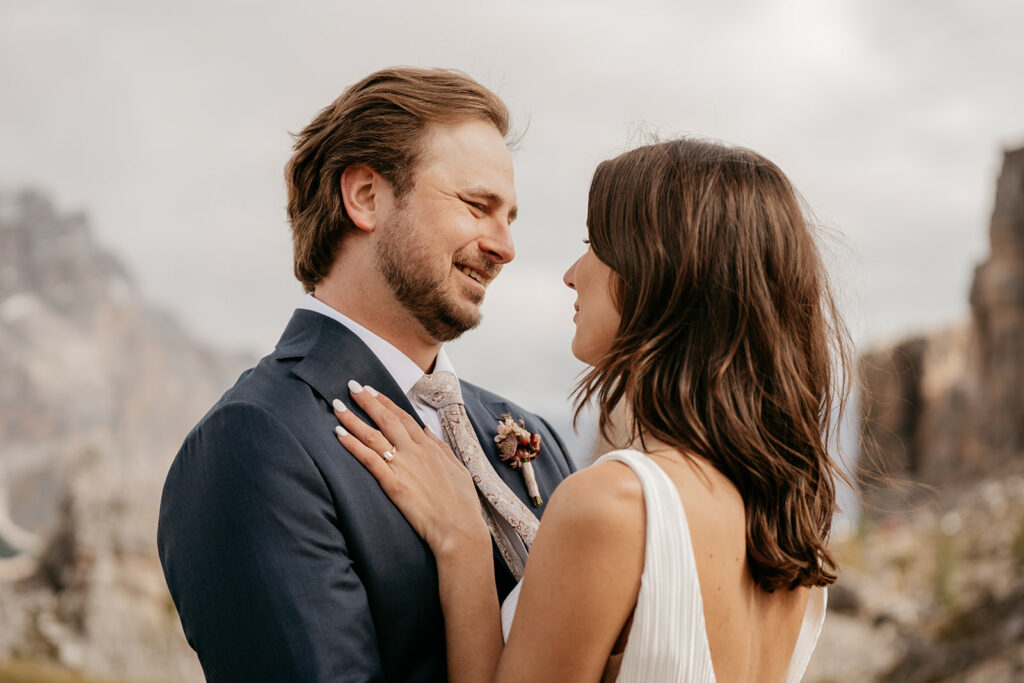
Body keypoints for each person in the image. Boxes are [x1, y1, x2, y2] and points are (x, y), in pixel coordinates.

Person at [334, 138, 851, 682]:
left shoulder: (615, 506)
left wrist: (462, 541)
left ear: (660, 270)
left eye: (594, 243)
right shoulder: (783, 527)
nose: (572, 273)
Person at [156, 67, 576, 682]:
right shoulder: (255, 440)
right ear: (366, 197)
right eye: (477, 206)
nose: (505, 246)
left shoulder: (531, 435)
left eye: (510, 216)